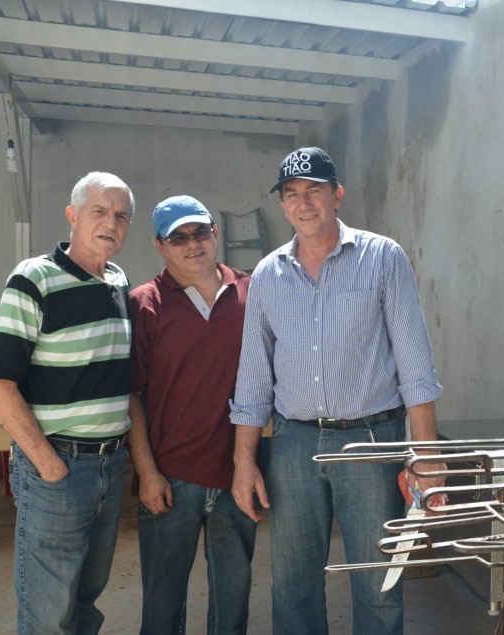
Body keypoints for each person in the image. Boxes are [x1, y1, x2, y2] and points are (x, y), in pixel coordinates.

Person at [230, 146, 445, 635]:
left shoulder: (382, 257)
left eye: (314, 191)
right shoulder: (267, 275)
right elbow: (253, 377)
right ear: (282, 206)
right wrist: (244, 462)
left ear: (337, 195)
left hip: (372, 442)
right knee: (292, 582)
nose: (303, 204)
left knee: (378, 580)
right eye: (291, 195)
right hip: (294, 444)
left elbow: (415, 366)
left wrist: (426, 455)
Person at [0, 171, 135, 634]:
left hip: (111, 466)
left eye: (121, 216)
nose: (111, 223)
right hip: (59, 467)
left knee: (86, 602)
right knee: (48, 612)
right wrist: (49, 466)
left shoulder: (118, 281)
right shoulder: (34, 278)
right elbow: (0, 385)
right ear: (72, 216)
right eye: (99, 211)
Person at [127, 195, 266, 634]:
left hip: (236, 476)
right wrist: (148, 474)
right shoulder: (144, 304)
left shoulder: (252, 293)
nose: (193, 245)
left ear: (216, 234)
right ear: (159, 246)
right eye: (179, 237)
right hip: (170, 480)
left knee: (233, 602)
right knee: (163, 606)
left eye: (201, 232)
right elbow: (131, 397)